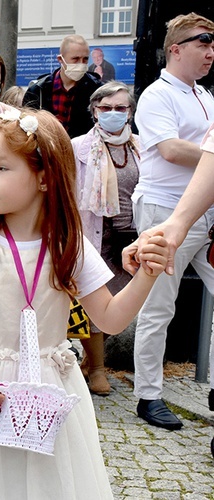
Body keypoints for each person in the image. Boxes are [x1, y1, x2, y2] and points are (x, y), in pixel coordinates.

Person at [0, 109, 170, 499]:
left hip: (48, 387)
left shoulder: (68, 245)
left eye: (3, 168)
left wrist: (146, 274)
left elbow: (110, 318)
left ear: (44, 177)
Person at [125, 12, 214, 431]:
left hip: (204, 213)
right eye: (202, 43)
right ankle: (148, 396)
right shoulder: (156, 94)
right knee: (159, 307)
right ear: (176, 49)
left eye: (212, 44)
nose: (210, 52)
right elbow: (172, 151)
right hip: (163, 211)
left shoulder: (205, 96)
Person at [72, 81, 140, 396]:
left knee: (126, 304)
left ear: (130, 112)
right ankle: (98, 368)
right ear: (95, 111)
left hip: (132, 236)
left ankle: (89, 361)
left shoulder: (142, 146)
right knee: (95, 303)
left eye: (120, 107)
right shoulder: (78, 148)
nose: (113, 113)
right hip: (95, 235)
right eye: (106, 108)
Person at [23, 34, 102, 138]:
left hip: (83, 152)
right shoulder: (38, 90)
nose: (81, 64)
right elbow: (25, 127)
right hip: (47, 151)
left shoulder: (97, 90)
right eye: (75, 59)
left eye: (85, 59)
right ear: (60, 59)